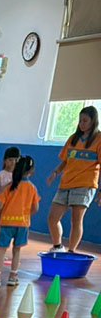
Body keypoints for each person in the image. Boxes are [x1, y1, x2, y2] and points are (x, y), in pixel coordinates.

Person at [45, 105, 101, 253]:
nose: (81, 123)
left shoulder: (98, 139)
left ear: (93, 121)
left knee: (76, 220)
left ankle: (71, 251)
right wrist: (55, 172)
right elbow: (65, 160)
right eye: (80, 120)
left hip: (85, 184)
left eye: (85, 120)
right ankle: (57, 246)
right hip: (66, 183)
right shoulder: (73, 138)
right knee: (52, 218)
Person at [0, 155, 39, 288]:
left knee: (1, 250)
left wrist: (1, 216)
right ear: (32, 170)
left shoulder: (10, 187)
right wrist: (25, 215)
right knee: (17, 250)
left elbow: (0, 206)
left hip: (7, 223)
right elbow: (36, 208)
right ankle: (13, 277)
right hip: (22, 224)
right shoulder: (32, 188)